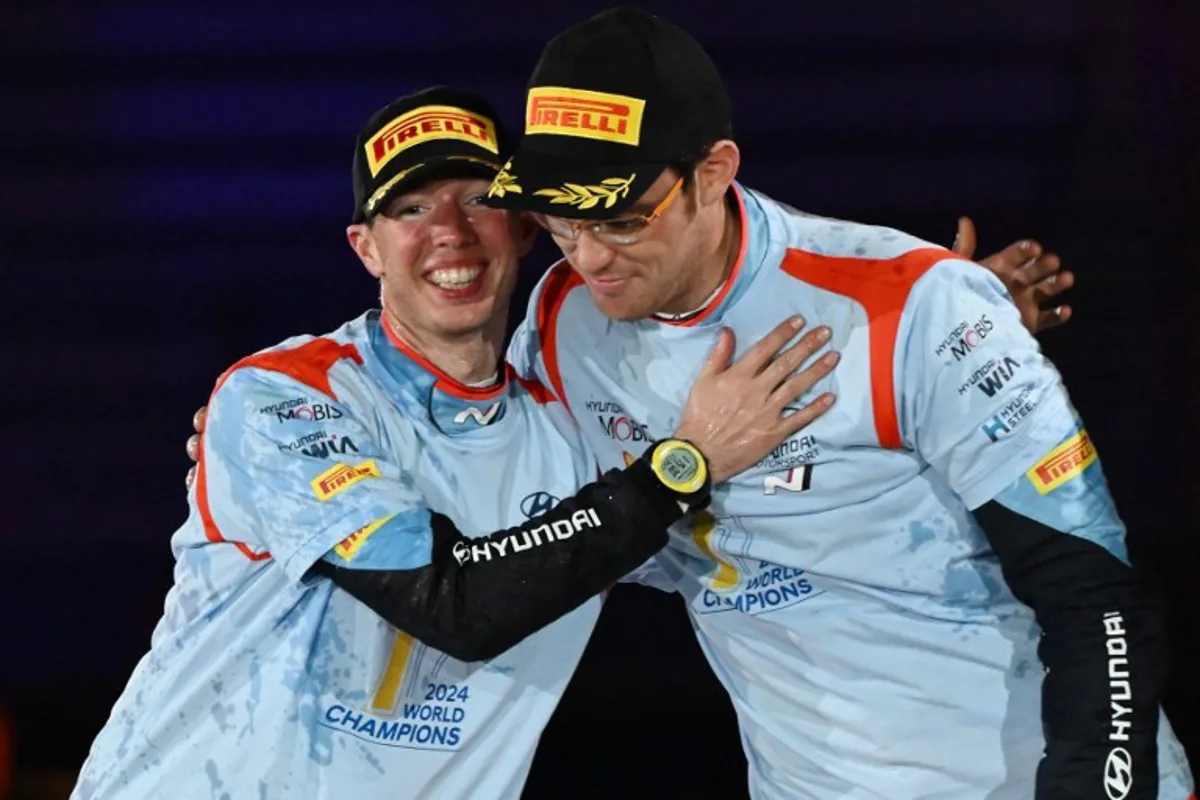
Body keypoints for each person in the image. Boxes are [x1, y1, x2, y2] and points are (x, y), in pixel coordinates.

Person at [483, 8, 1194, 799]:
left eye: (619, 218)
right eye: (557, 219)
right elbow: (552, 566)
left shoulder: (912, 305)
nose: (588, 256)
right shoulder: (559, 326)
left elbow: (1095, 594)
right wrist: (684, 466)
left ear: (714, 173)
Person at [71, 87, 840, 799]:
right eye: (408, 208)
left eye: (479, 199)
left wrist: (931, 338)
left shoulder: (574, 439)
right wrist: (679, 468)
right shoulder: (286, 396)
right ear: (365, 248)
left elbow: (777, 515)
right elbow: (451, 605)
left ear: (528, 226)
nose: (449, 231)